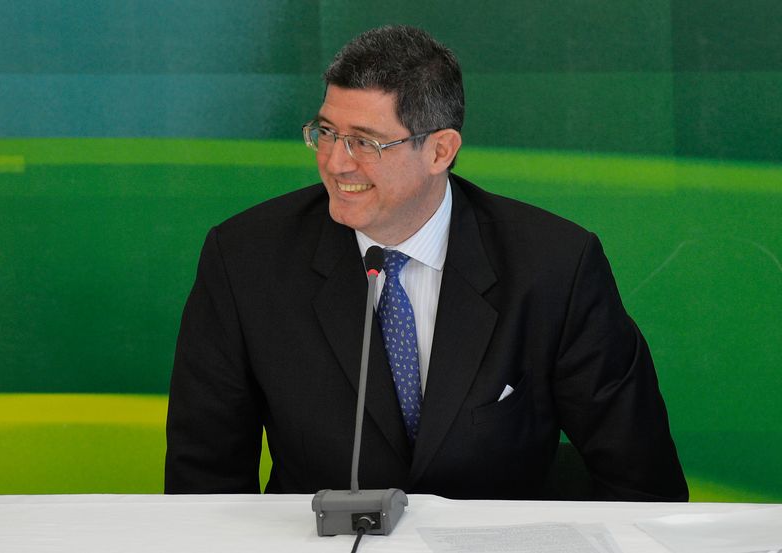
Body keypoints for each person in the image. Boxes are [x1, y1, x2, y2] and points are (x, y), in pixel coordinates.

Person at [165, 25, 688, 501]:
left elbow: (642, 481)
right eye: (326, 133)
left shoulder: (555, 265)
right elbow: (203, 483)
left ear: (440, 151)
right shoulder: (244, 260)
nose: (335, 162)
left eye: (365, 142)